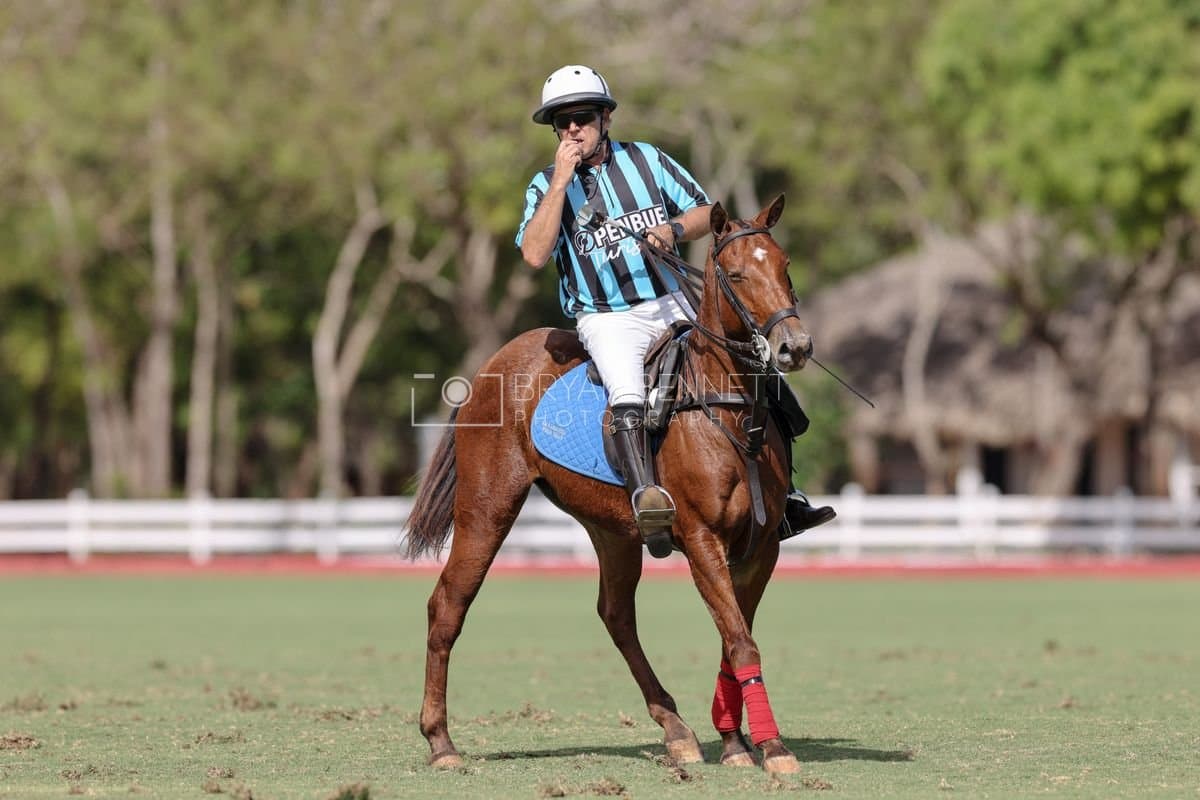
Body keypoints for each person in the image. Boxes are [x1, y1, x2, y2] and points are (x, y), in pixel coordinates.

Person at [516, 64, 834, 557]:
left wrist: (673, 230)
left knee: (757, 372)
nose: (572, 129)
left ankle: (786, 494)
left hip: (671, 301)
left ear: (605, 118)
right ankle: (648, 497)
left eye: (581, 117)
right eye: (562, 122)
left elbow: (709, 212)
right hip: (607, 316)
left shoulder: (646, 160)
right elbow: (535, 253)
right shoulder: (543, 187)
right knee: (627, 391)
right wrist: (560, 182)